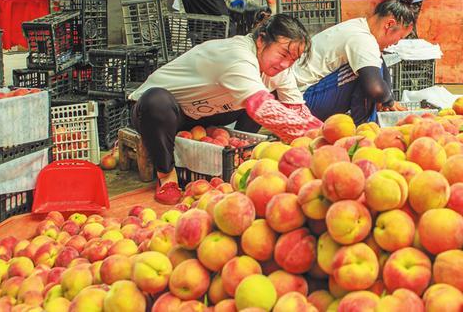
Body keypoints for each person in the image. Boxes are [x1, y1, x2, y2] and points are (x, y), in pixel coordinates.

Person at [128, 14, 322, 205]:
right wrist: (326, 140)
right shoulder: (236, 56)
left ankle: (240, 156)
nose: (286, 64)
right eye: (283, 54)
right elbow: (263, 108)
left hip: (203, 114)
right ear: (261, 40)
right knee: (157, 101)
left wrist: (322, 137)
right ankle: (166, 176)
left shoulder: (280, 70)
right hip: (158, 113)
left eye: (293, 59)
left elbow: (297, 110)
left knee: (268, 95)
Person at [294, 0, 419, 125]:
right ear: (389, 24)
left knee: (371, 67)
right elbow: (375, 89)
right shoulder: (362, 39)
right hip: (302, 102)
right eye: (399, 37)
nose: (395, 43)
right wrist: (386, 99)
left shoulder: (359, 27)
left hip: (306, 96)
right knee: (366, 76)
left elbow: (380, 65)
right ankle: (365, 128)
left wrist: (388, 99)